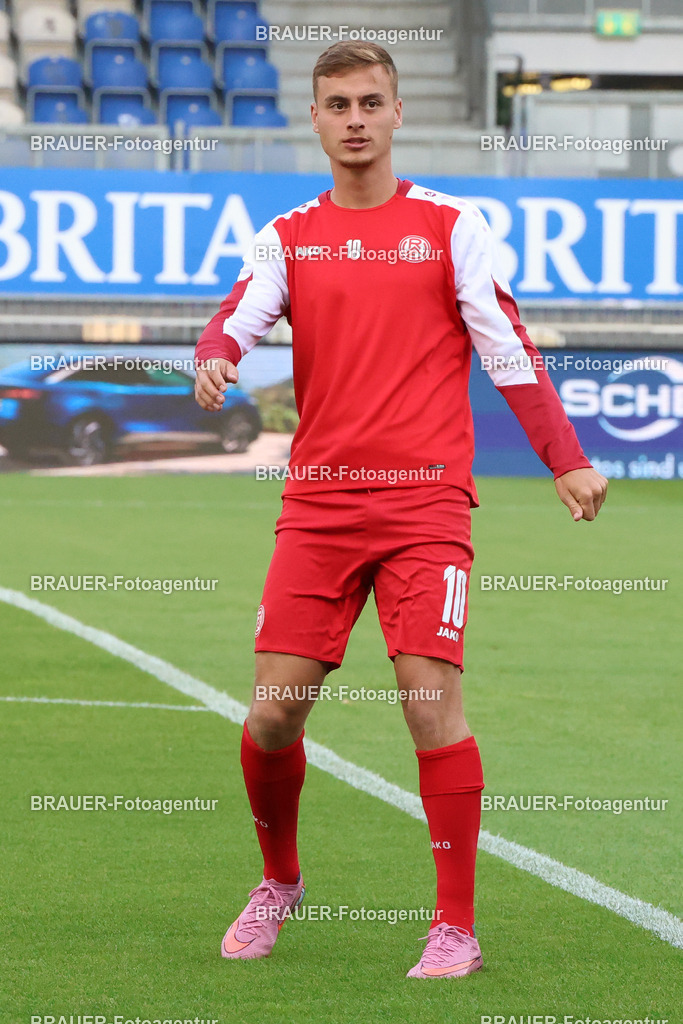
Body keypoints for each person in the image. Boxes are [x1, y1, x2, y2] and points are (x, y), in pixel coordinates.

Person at [194, 41, 607, 979]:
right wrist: (216, 354)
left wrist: (566, 459)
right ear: (314, 117)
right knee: (272, 715)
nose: (354, 119)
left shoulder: (451, 225)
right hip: (318, 506)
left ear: (395, 112)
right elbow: (235, 316)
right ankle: (279, 881)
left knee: (429, 703)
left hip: (426, 504)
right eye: (337, 104)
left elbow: (507, 350)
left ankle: (454, 925)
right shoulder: (288, 235)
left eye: (369, 102)